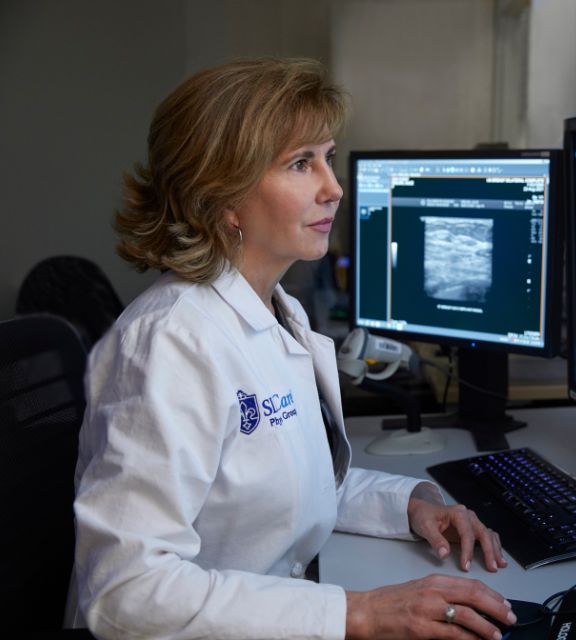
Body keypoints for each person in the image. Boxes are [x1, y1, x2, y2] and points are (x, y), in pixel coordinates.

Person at [69, 57, 516, 639]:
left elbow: (287, 486)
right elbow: (125, 593)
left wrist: (410, 504)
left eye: (327, 158)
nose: (334, 188)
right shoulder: (169, 343)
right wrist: (356, 613)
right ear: (221, 194)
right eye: (301, 163)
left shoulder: (279, 310)